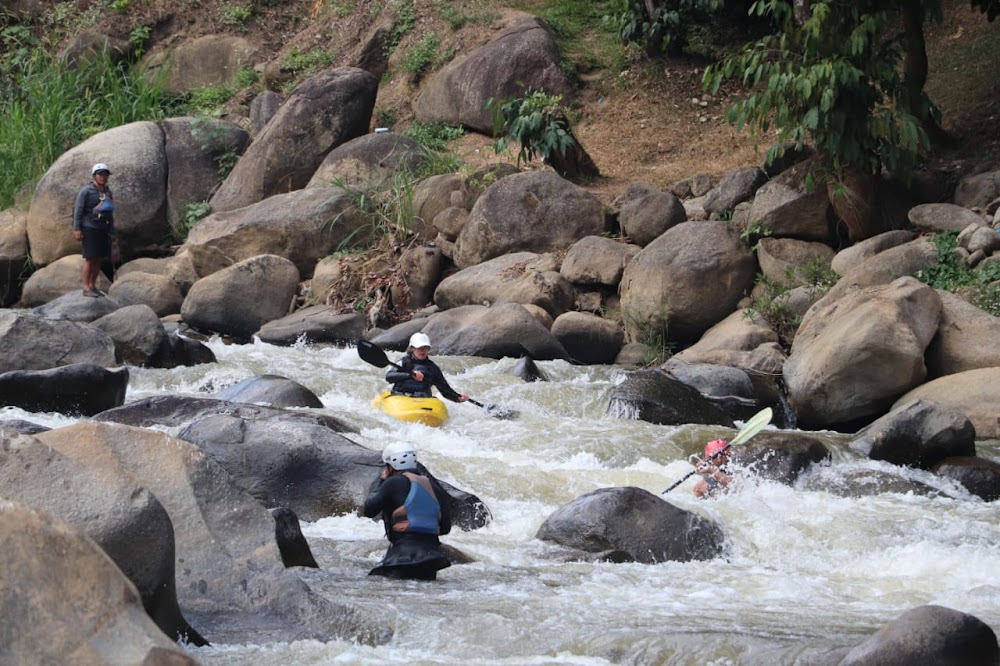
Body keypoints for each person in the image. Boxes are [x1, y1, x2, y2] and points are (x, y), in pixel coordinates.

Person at [363, 442, 452, 580]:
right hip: (431, 559)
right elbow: (445, 527)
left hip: (401, 558)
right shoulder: (435, 487)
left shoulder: (392, 483)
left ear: (390, 467)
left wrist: (381, 482)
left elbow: (369, 510)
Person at [386, 332, 469, 403]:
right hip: (400, 396)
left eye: (425, 347)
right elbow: (389, 377)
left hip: (423, 399)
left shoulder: (433, 368)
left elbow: (444, 390)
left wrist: (458, 398)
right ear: (412, 348)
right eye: (419, 348)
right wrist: (411, 375)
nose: (423, 350)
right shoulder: (403, 362)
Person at [72, 163, 117, 297]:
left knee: (99, 259)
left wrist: (112, 231)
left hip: (103, 228)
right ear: (94, 176)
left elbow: (110, 213)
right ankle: (86, 287)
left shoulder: (107, 192)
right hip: (89, 228)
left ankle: (92, 286)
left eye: (105, 174)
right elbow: (78, 211)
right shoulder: (86, 191)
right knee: (90, 258)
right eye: (100, 174)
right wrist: (77, 229)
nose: (103, 177)